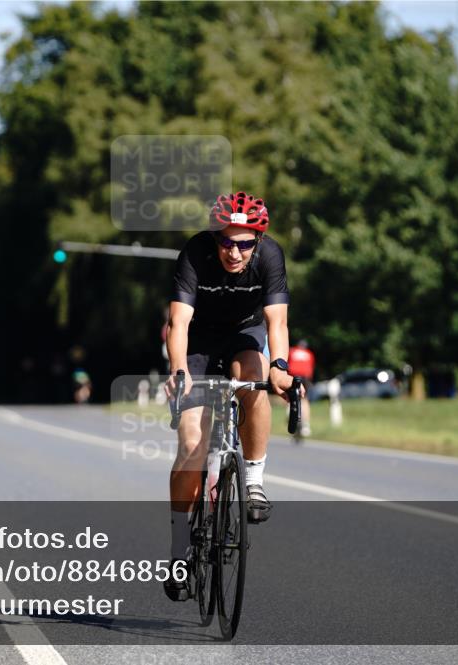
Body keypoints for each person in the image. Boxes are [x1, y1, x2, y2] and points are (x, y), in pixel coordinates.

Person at [162, 191, 296, 601]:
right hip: (199, 340)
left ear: (258, 241)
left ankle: (253, 479)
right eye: (226, 242)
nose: (234, 253)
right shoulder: (195, 253)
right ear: (215, 237)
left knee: (253, 377)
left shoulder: (270, 256)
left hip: (245, 333)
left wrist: (281, 366)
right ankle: (179, 553)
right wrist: (179, 370)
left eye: (244, 244)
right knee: (191, 446)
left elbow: (277, 322)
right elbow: (179, 322)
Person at [288, 339, 314, 438]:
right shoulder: (309, 354)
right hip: (305, 377)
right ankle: (306, 426)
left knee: (291, 397)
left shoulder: (292, 351)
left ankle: (289, 415)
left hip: (294, 376)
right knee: (304, 399)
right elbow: (310, 369)